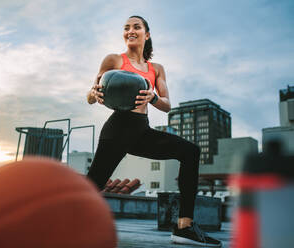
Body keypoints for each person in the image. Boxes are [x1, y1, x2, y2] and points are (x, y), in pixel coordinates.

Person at [86, 16, 222, 247]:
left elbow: (167, 105)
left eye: (136, 27)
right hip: (117, 128)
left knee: (190, 152)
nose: (130, 30)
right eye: (126, 27)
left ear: (146, 34)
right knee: (93, 185)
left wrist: (154, 97)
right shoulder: (113, 60)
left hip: (142, 130)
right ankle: (58, 221)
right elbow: (91, 94)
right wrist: (95, 94)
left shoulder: (156, 69)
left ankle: (184, 227)